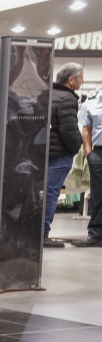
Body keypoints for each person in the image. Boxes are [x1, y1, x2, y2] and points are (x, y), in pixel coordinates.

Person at [42, 63, 85, 247]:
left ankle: (34, 232)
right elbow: (68, 130)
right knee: (51, 193)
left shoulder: (46, 94)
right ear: (71, 80)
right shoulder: (68, 99)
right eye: (81, 78)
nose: (82, 82)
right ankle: (42, 234)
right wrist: (77, 146)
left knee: (40, 193)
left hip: (42, 152)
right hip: (59, 154)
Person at [74, 89, 102, 247]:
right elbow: (86, 130)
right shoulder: (91, 103)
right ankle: (96, 234)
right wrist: (89, 153)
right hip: (98, 152)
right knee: (98, 193)